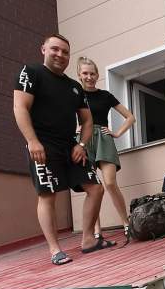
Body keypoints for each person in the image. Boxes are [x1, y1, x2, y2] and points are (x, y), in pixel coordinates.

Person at [12, 33, 108, 265]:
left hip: (70, 145)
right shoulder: (31, 73)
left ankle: (87, 240)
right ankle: (55, 250)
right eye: (55, 49)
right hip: (42, 145)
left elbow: (87, 121)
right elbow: (20, 107)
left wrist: (81, 144)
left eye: (65, 51)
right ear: (43, 49)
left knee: (96, 188)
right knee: (47, 195)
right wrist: (32, 141)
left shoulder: (75, 87)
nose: (60, 55)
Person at [75, 57, 136, 243]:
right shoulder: (75, 95)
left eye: (92, 73)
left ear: (98, 75)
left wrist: (116, 133)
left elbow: (130, 117)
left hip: (103, 138)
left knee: (109, 183)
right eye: (85, 73)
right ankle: (96, 231)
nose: (89, 76)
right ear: (79, 75)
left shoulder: (106, 95)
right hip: (84, 141)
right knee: (93, 187)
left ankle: (126, 223)